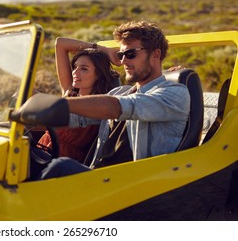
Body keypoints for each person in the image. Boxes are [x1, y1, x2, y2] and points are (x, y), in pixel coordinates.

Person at [38, 20, 191, 179]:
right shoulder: (120, 92)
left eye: (130, 54)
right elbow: (78, 119)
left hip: (137, 184)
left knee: (60, 167)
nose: (123, 61)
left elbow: (121, 106)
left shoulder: (174, 93)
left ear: (156, 55)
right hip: (100, 177)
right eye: (121, 55)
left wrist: (57, 104)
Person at [37, 38, 120, 162]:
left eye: (84, 69)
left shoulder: (101, 104)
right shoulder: (69, 91)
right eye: (75, 67)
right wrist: (103, 50)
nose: (75, 72)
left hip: (64, 162)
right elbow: (60, 43)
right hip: (41, 151)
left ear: (98, 75)